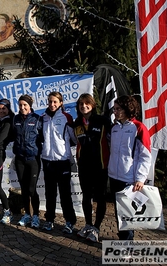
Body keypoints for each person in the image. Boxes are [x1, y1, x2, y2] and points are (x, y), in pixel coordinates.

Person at [109, 95, 151, 240]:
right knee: (119, 212)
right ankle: (123, 240)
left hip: (129, 179)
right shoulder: (114, 128)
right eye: (114, 109)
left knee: (128, 213)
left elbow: (145, 155)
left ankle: (127, 245)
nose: (115, 111)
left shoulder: (138, 128)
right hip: (114, 176)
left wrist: (140, 178)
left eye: (118, 109)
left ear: (128, 109)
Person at [73, 93, 111, 242]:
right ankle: (88, 225)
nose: (84, 106)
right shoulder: (77, 123)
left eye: (86, 103)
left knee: (100, 198)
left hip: (100, 165)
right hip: (84, 166)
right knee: (86, 196)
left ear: (92, 105)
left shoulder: (103, 121)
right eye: (81, 104)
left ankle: (96, 227)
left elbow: (112, 140)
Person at [40, 91, 77, 233]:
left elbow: (74, 138)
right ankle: (49, 220)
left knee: (65, 194)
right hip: (48, 160)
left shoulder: (67, 117)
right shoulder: (43, 118)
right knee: (50, 194)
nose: (52, 104)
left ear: (61, 103)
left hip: (62, 161)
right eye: (50, 101)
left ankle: (69, 221)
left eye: (55, 101)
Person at [12, 94, 42, 228]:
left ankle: (35, 215)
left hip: (33, 159)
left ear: (30, 106)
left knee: (31, 189)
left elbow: (44, 138)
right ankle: (27, 215)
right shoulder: (15, 119)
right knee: (24, 189)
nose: (22, 107)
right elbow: (11, 135)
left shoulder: (37, 119)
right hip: (20, 159)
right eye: (20, 105)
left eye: (25, 105)